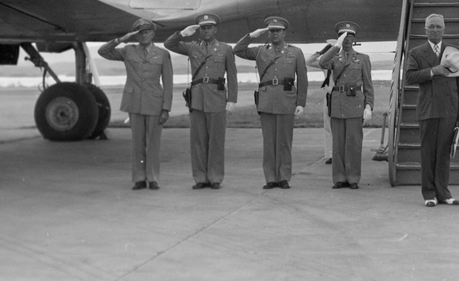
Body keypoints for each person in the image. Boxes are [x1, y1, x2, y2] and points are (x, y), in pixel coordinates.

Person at [164, 13, 237, 190]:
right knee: (197, 141)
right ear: (199, 30)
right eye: (203, 28)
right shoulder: (192, 47)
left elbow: (233, 75)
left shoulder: (226, 49)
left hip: (217, 98)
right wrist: (182, 33)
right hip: (197, 99)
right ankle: (200, 178)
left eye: (209, 27)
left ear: (215, 29)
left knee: (216, 141)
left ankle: (215, 177)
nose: (206, 30)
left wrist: (232, 99)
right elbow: (169, 44)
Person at [234, 16, 308, 189]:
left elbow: (302, 79)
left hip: (286, 100)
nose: (274, 34)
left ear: (284, 33)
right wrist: (251, 35)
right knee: (269, 143)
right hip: (267, 101)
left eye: (278, 31)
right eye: (271, 31)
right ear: (267, 33)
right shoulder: (260, 51)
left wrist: (301, 103)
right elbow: (237, 50)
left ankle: (283, 177)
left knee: (284, 142)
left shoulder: (295, 52)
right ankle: (270, 178)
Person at [98, 19, 173, 190]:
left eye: (146, 32)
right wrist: (121, 39)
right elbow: (103, 51)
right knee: (137, 143)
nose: (143, 35)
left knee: (153, 143)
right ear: (135, 35)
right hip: (134, 103)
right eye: (139, 32)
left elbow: (168, 83)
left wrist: (166, 108)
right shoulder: (127, 51)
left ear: (152, 34)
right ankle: (139, 178)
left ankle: (152, 178)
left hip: (155, 103)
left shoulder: (162, 54)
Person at [405, 13, 459, 207]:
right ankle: (429, 194)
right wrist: (433, 71)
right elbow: (409, 77)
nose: (435, 30)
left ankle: (444, 193)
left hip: (449, 109)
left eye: (438, 27)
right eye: (431, 26)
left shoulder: (454, 52)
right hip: (428, 110)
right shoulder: (416, 52)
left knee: (443, 152)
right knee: (428, 153)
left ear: (444, 29)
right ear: (425, 30)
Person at [318, 22, 375, 189]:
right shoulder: (334, 57)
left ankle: (353, 178)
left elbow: (368, 85)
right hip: (337, 105)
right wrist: (335, 46)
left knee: (354, 144)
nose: (347, 39)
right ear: (339, 39)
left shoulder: (363, 59)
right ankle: (339, 178)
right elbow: (322, 62)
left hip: (355, 105)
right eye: (344, 36)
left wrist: (368, 106)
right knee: (338, 145)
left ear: (354, 39)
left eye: (350, 36)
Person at [307, 40, 336, 165]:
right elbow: (308, 62)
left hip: (342, 95)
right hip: (329, 95)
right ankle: (330, 155)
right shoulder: (325, 63)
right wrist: (321, 51)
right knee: (328, 126)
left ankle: (341, 154)